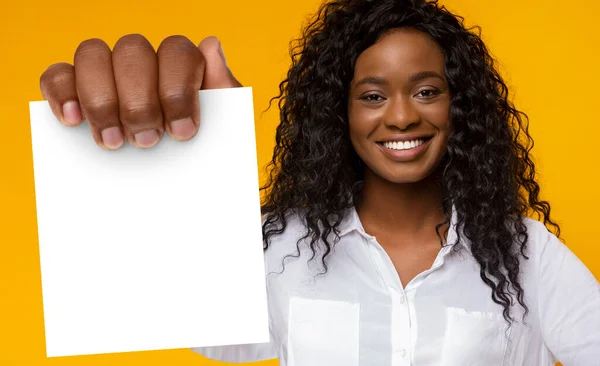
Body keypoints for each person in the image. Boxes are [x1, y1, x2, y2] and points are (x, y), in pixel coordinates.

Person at [38, 0, 600, 365]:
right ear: (339, 112)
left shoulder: (524, 254)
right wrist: (164, 148)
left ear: (463, 107)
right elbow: (137, 294)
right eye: (372, 96)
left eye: (427, 90)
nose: (401, 116)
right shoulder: (281, 249)